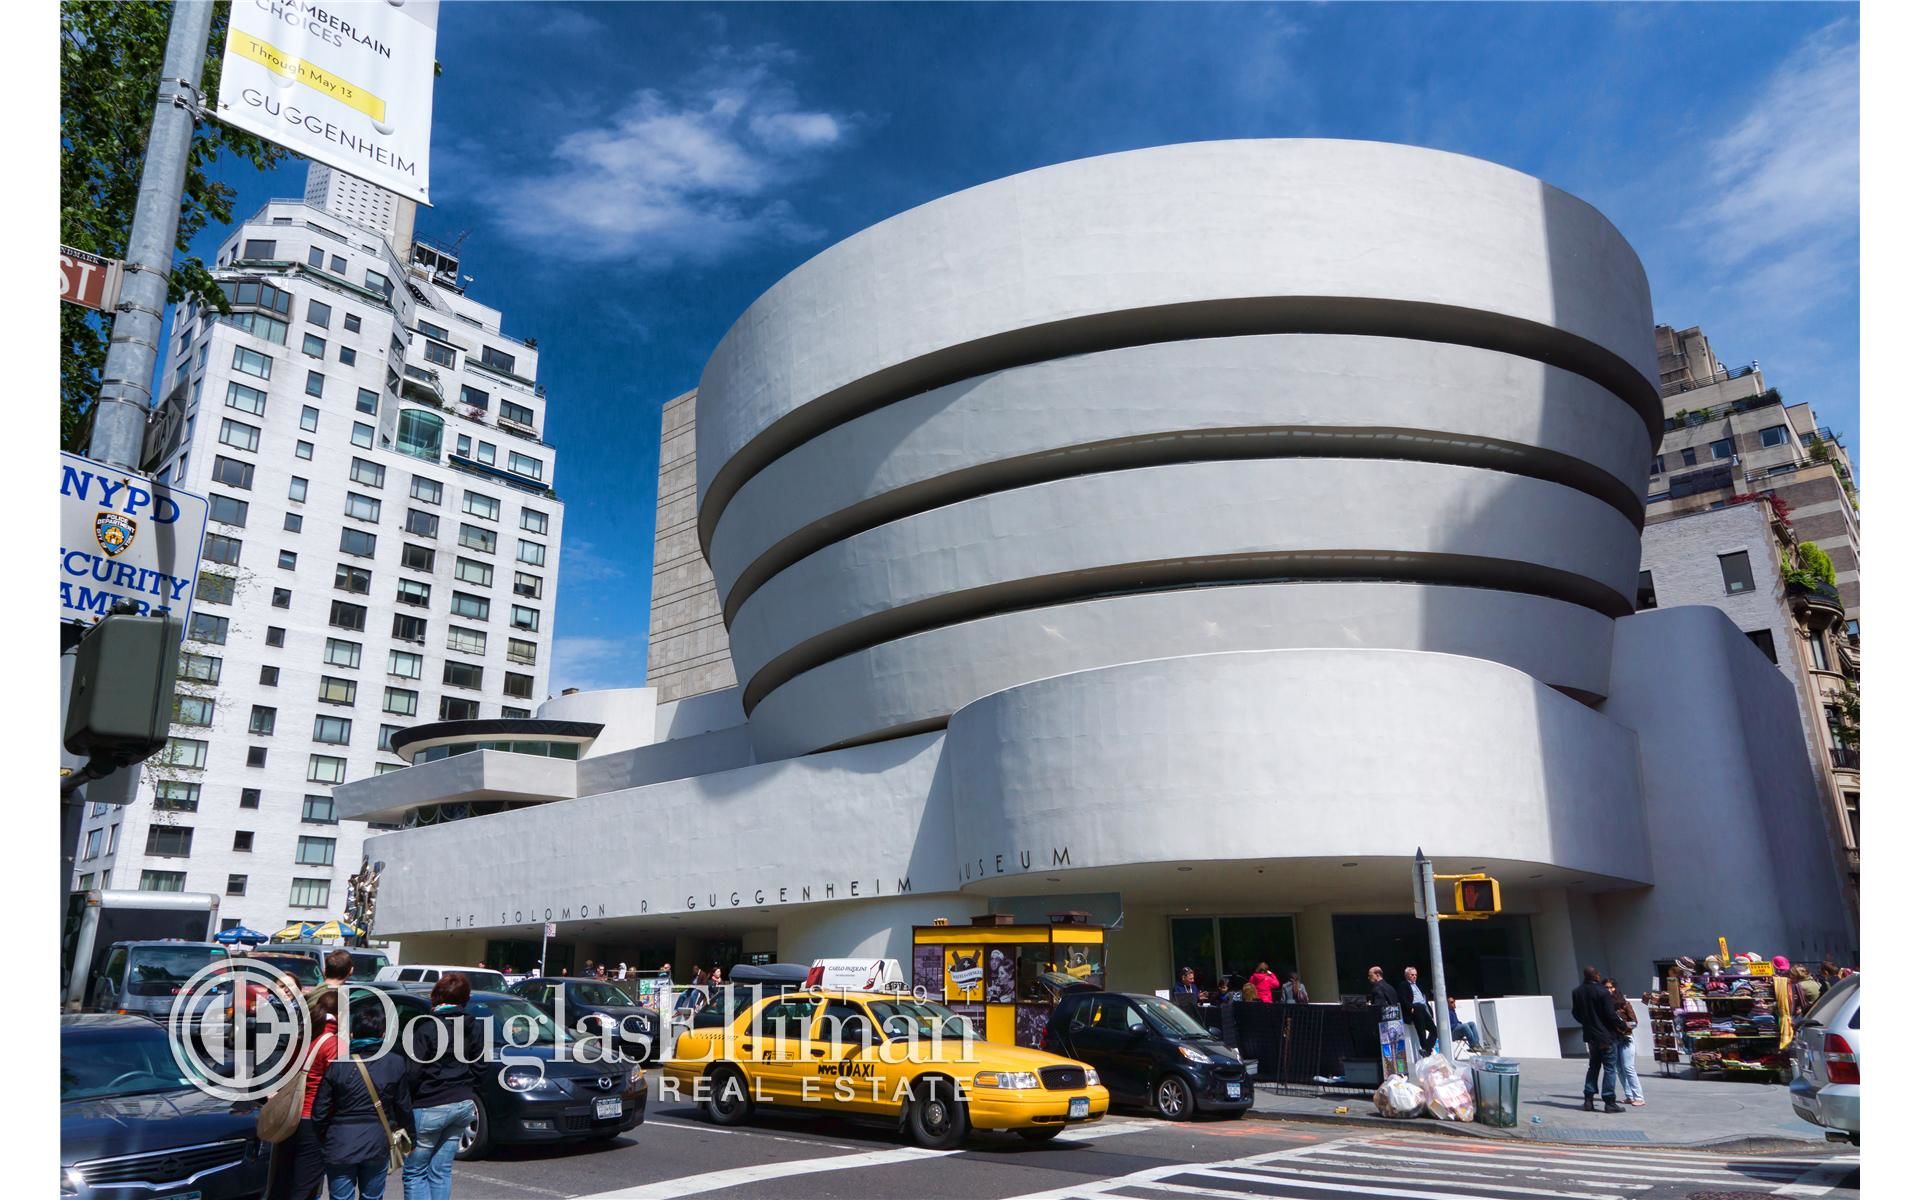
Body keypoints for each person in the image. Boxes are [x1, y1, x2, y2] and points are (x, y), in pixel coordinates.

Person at [313, 1001, 416, 1200]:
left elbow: (320, 1112)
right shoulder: (395, 1063)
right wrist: (411, 1137)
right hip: (376, 1140)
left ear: (352, 1035)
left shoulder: (338, 1065)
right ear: (383, 1035)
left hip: (340, 1141)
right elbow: (403, 1106)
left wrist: (326, 1137)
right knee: (372, 1197)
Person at [402, 973, 485, 1200]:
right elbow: (481, 1067)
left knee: (415, 1171)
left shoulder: (427, 1028)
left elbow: (413, 1072)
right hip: (463, 1101)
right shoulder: (474, 1027)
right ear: (465, 998)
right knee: (441, 1170)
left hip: (430, 1102)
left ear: (437, 996)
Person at [265, 988, 340, 1200]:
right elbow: (339, 1082)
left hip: (290, 1117)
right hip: (313, 1119)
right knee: (305, 1186)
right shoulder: (332, 1044)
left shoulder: (302, 1038)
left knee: (283, 1179)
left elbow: (284, 1071)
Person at [1572, 965, 1628, 1113]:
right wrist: (1623, 1025)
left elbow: (1576, 1013)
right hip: (1605, 1036)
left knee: (1593, 1067)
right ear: (1596, 975)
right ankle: (1609, 1101)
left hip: (1590, 1036)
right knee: (1609, 1068)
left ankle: (1588, 1099)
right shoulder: (1603, 992)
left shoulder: (1577, 992)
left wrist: (1588, 1023)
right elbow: (1610, 1014)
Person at [1604, 977, 1645, 1107]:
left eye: (1611, 987)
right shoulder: (1603, 1004)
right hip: (1613, 1038)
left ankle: (1639, 1096)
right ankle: (1629, 1095)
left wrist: (1623, 1026)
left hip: (1626, 1037)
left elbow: (1634, 1022)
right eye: (1606, 987)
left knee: (1628, 1067)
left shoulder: (1624, 1004)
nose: (1609, 990)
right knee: (1619, 1068)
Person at [1395, 966, 1438, 1057]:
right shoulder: (1404, 985)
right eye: (1412, 975)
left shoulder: (1418, 985)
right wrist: (1410, 1007)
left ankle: (1427, 1049)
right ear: (1407, 975)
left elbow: (1424, 999)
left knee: (1434, 1030)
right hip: (1416, 1008)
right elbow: (1402, 999)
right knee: (1421, 1030)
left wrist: (1429, 1011)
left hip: (1423, 1008)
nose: (1414, 976)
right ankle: (1425, 1048)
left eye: (1415, 975)